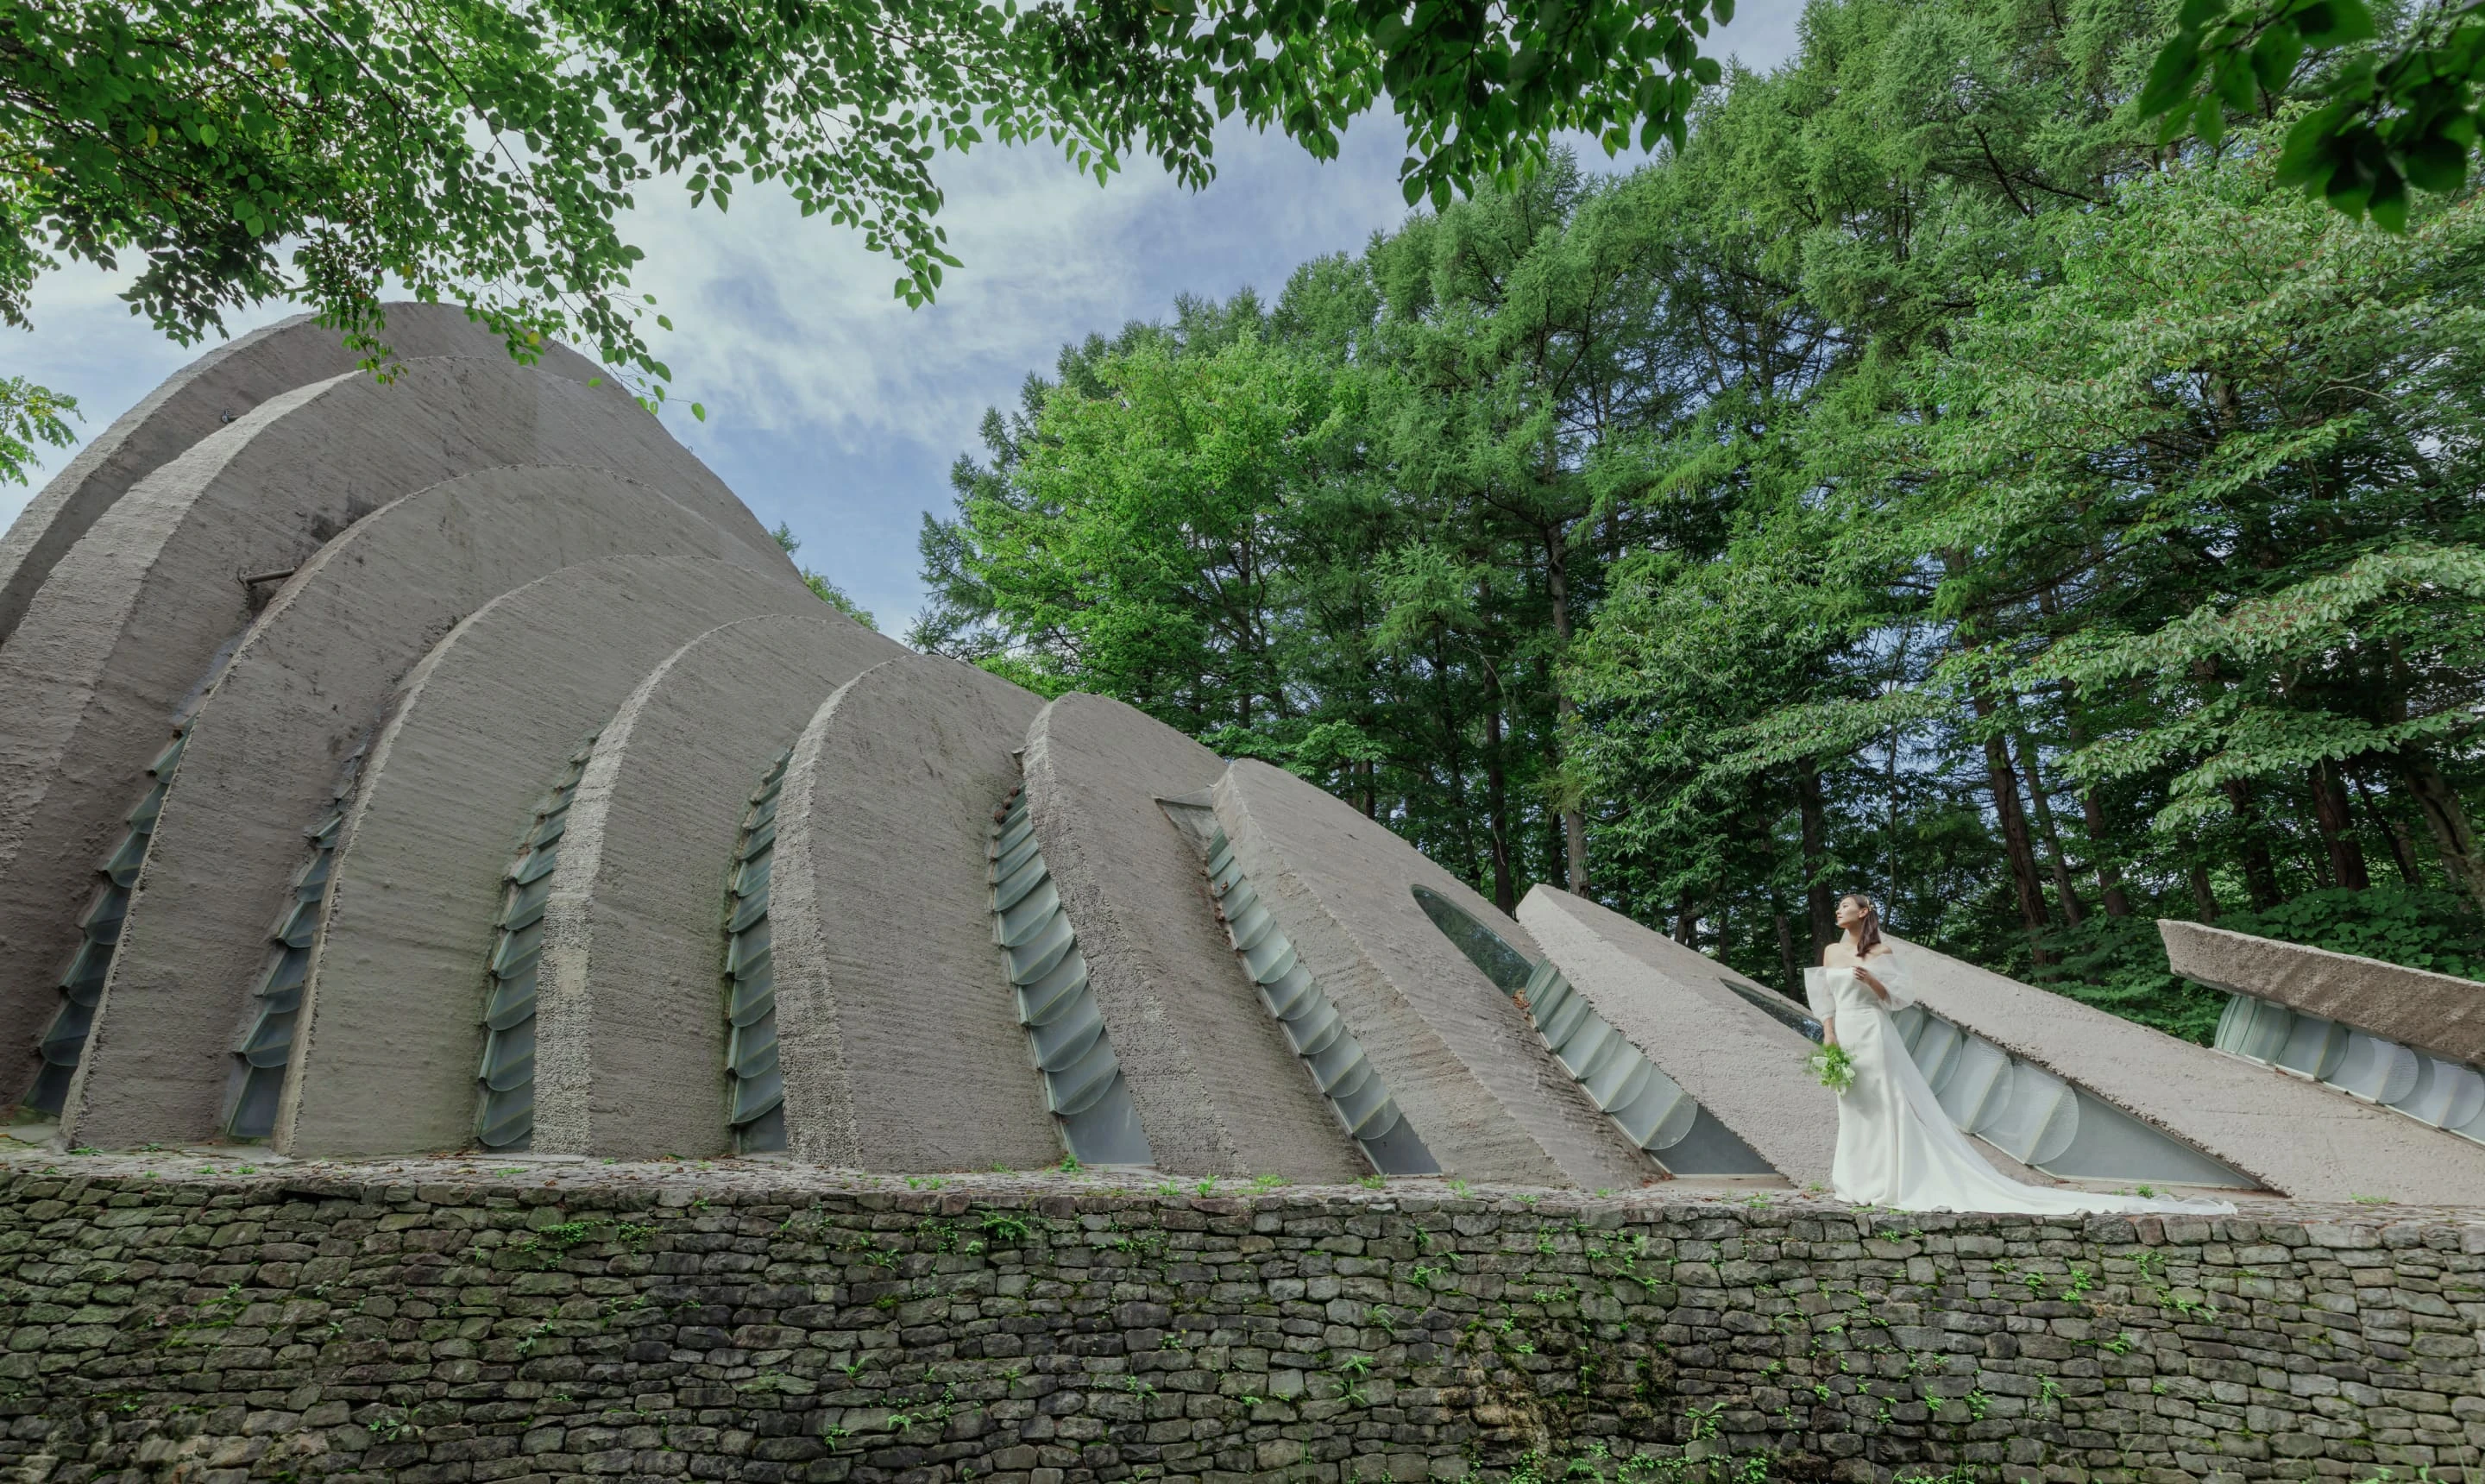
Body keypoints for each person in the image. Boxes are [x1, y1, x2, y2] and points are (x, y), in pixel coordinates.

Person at [1808, 893, 2234, 1215]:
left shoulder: (1881, 953)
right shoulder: (1830, 952)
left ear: (1864, 912)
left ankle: (1892, 1181)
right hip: (1844, 1029)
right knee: (1854, 1103)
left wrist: (1872, 982)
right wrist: (1828, 1033)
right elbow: (1824, 996)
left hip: (1873, 1030)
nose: (1839, 911)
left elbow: (1897, 1000)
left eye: (1846, 906)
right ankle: (1856, 1180)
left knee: (1888, 1103)